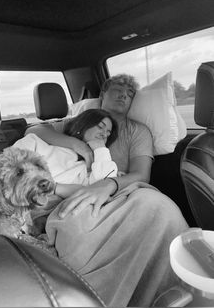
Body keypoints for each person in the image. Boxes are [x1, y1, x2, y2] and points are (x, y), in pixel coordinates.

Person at [27, 74, 189, 306]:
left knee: (159, 207)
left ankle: (173, 288)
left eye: (130, 93)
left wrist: (107, 185)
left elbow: (142, 176)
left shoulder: (138, 131)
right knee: (76, 228)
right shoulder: (81, 121)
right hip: (74, 193)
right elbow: (34, 130)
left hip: (119, 193)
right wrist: (77, 144)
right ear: (102, 95)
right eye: (118, 89)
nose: (125, 94)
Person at [13, 109, 118, 198]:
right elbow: (9, 169)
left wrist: (100, 149)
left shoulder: (93, 167)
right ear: (83, 125)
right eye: (100, 127)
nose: (104, 134)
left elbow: (102, 189)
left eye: (108, 133)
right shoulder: (38, 143)